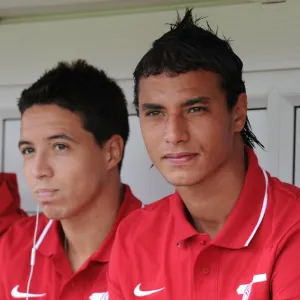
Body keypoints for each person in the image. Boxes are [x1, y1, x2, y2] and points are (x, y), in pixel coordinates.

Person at [108, 8, 300, 300]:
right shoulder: (133, 235)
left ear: (237, 112)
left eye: (195, 109)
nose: (174, 134)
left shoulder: (293, 225)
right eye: (155, 113)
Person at [0, 59, 141, 299]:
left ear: (111, 152)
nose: (39, 170)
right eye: (28, 150)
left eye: (59, 146)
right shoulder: (12, 249)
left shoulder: (166, 245)